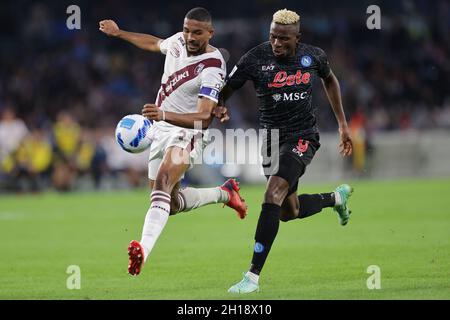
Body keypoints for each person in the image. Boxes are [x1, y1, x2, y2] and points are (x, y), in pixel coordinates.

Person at [99, 7, 248, 276]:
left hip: (189, 132)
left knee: (164, 181)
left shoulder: (213, 66)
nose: (190, 36)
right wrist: (118, 32)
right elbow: (154, 43)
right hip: (160, 129)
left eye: (197, 32)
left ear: (210, 33)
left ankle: (142, 249)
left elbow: (203, 117)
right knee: (171, 203)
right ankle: (225, 193)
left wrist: (165, 113)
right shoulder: (178, 42)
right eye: (187, 30)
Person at [215, 9, 354, 293]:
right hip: (269, 140)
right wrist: (219, 105)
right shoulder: (255, 58)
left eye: (284, 39)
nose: (277, 43)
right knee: (287, 211)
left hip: (303, 137)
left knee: (272, 192)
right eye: (273, 37)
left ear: (297, 38)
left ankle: (252, 276)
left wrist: (342, 124)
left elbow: (330, 79)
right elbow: (227, 87)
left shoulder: (313, 56)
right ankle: (335, 198)